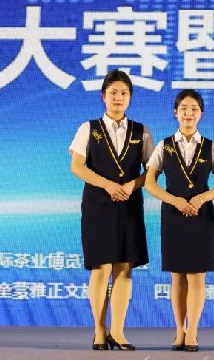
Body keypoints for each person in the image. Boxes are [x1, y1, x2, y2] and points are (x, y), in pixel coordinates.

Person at [68, 70, 155, 351]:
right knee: (101, 267)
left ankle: (118, 331)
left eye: (124, 93)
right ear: (103, 96)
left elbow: (151, 171)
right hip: (98, 205)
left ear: (130, 98)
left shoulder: (141, 131)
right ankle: (99, 331)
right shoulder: (89, 128)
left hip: (129, 205)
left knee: (124, 268)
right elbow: (77, 166)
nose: (118, 97)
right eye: (113, 93)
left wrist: (132, 184)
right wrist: (107, 185)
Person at [144, 89, 214, 352]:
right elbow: (149, 183)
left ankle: (193, 331)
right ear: (175, 112)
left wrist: (202, 198)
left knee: (197, 276)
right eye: (184, 108)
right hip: (173, 215)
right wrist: (175, 201)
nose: (189, 113)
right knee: (177, 276)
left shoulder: (211, 147)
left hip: (202, 216)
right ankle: (179, 331)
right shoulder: (165, 145)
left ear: (201, 114)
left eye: (194, 109)